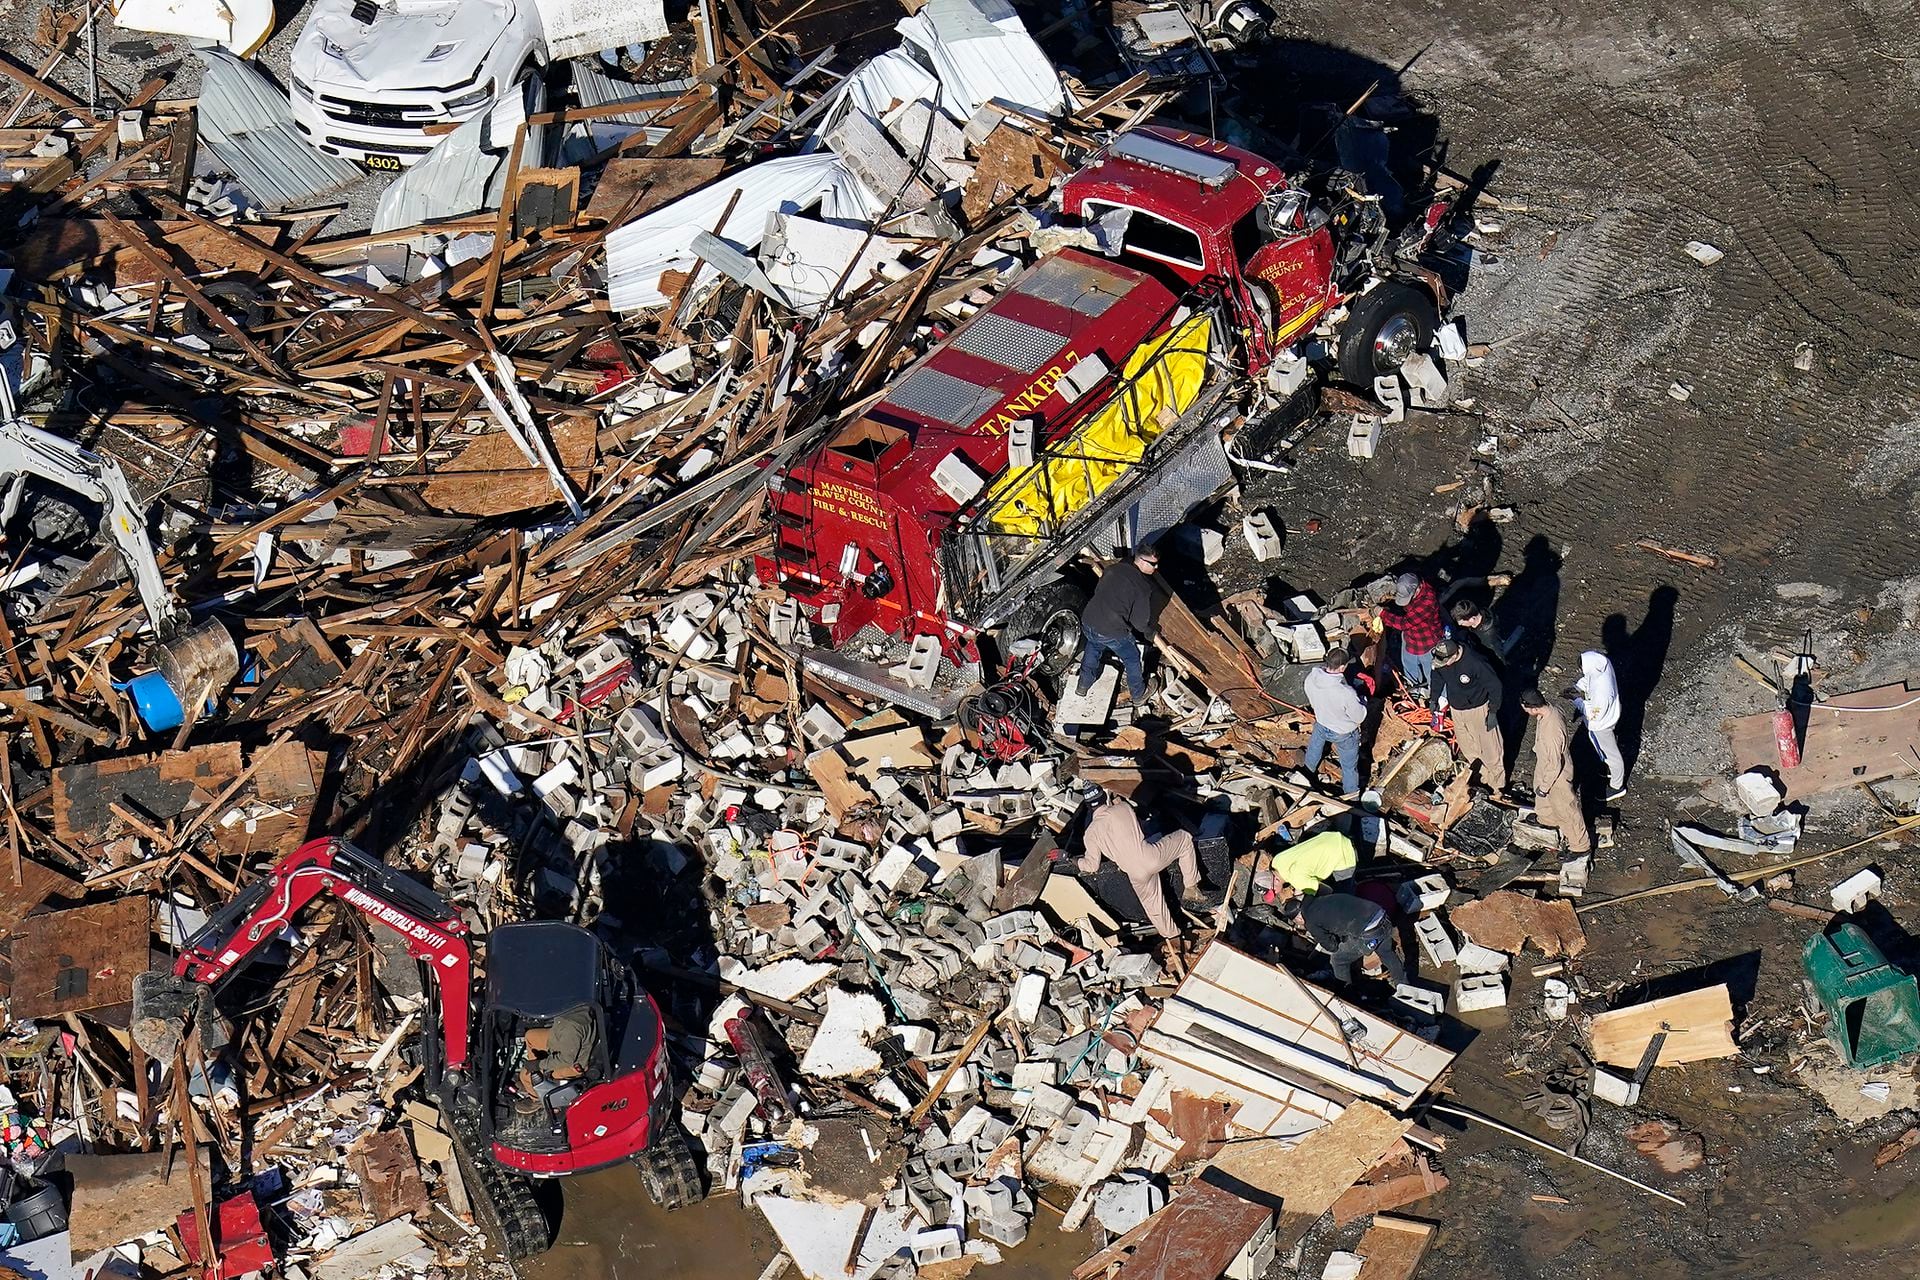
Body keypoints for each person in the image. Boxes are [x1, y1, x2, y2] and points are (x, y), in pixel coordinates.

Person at [1077, 786, 1209, 940]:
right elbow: (1138, 824)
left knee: (1154, 907)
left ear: (1088, 806)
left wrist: (1070, 858)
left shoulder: (1090, 834)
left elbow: (1091, 866)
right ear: (1103, 797)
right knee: (1185, 839)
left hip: (1135, 874)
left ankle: (1173, 938)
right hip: (1151, 857)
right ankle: (1191, 886)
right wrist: (1116, 798)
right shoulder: (1123, 808)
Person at [1302, 645, 1381, 844]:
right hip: (1344, 732)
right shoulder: (1345, 692)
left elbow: (1309, 696)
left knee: (1314, 748)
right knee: (1348, 766)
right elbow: (1359, 716)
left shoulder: (1312, 678)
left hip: (1321, 722)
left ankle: (1306, 773)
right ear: (1343, 667)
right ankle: (1351, 797)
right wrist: (1362, 701)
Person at [1077, 547, 1159, 702]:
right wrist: (1150, 633)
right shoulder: (1142, 587)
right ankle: (1138, 694)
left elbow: (1099, 590)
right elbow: (1139, 622)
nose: (1156, 568)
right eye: (1153, 564)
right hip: (1111, 630)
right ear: (1141, 561)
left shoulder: (1114, 569)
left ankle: (1083, 684)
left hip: (1089, 620)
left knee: (1093, 647)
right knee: (1132, 658)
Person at [1431, 637, 1507, 794]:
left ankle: (1497, 788)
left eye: (1446, 661)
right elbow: (1437, 677)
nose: (1443, 665)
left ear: (1455, 654)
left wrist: (1493, 711)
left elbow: (1495, 686)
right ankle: (1481, 780)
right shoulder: (1442, 661)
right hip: (1457, 710)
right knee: (1468, 746)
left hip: (1478, 709)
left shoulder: (1475, 663)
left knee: (1491, 750)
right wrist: (1434, 699)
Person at [1520, 688, 1591, 853]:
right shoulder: (1549, 709)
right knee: (1541, 793)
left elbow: (1555, 764)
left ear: (1533, 708)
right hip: (1545, 763)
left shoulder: (1551, 732)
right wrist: (1536, 749)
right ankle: (1547, 819)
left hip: (1556, 774)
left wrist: (1545, 787)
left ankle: (1580, 847)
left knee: (1566, 809)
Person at [1289, 890, 1407, 987]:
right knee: (1386, 952)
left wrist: (1333, 938)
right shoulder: (1323, 899)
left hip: (1369, 931)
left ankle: (1346, 993)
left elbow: (1331, 946)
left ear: (1298, 917)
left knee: (1338, 960)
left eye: (1297, 922)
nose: (1300, 924)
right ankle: (1403, 984)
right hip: (1381, 915)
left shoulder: (1310, 921)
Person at [1377, 572, 1445, 695]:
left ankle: (1438, 698)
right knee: (1409, 669)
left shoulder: (1427, 601)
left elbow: (1404, 623)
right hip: (1410, 639)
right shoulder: (1416, 589)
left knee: (1432, 674)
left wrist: (1382, 613)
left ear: (1417, 589)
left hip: (1427, 643)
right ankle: (1413, 692)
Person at [1573, 649, 1627, 800]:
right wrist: (1578, 687)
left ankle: (1617, 786)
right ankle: (1612, 771)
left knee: (1611, 755)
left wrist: (1576, 700)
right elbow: (1589, 678)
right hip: (1611, 714)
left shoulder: (1602, 693)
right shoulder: (1602, 666)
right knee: (1608, 750)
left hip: (1602, 724)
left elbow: (1594, 714)